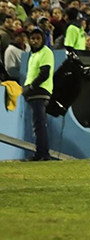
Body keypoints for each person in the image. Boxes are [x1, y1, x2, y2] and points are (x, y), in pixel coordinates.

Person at [22, 28, 54, 161]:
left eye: (38, 38)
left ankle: (42, 153)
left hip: (39, 92)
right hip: (34, 93)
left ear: (43, 40)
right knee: (38, 124)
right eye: (33, 38)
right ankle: (42, 153)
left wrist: (31, 87)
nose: (35, 41)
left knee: (39, 125)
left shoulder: (45, 52)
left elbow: (44, 73)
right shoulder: (33, 54)